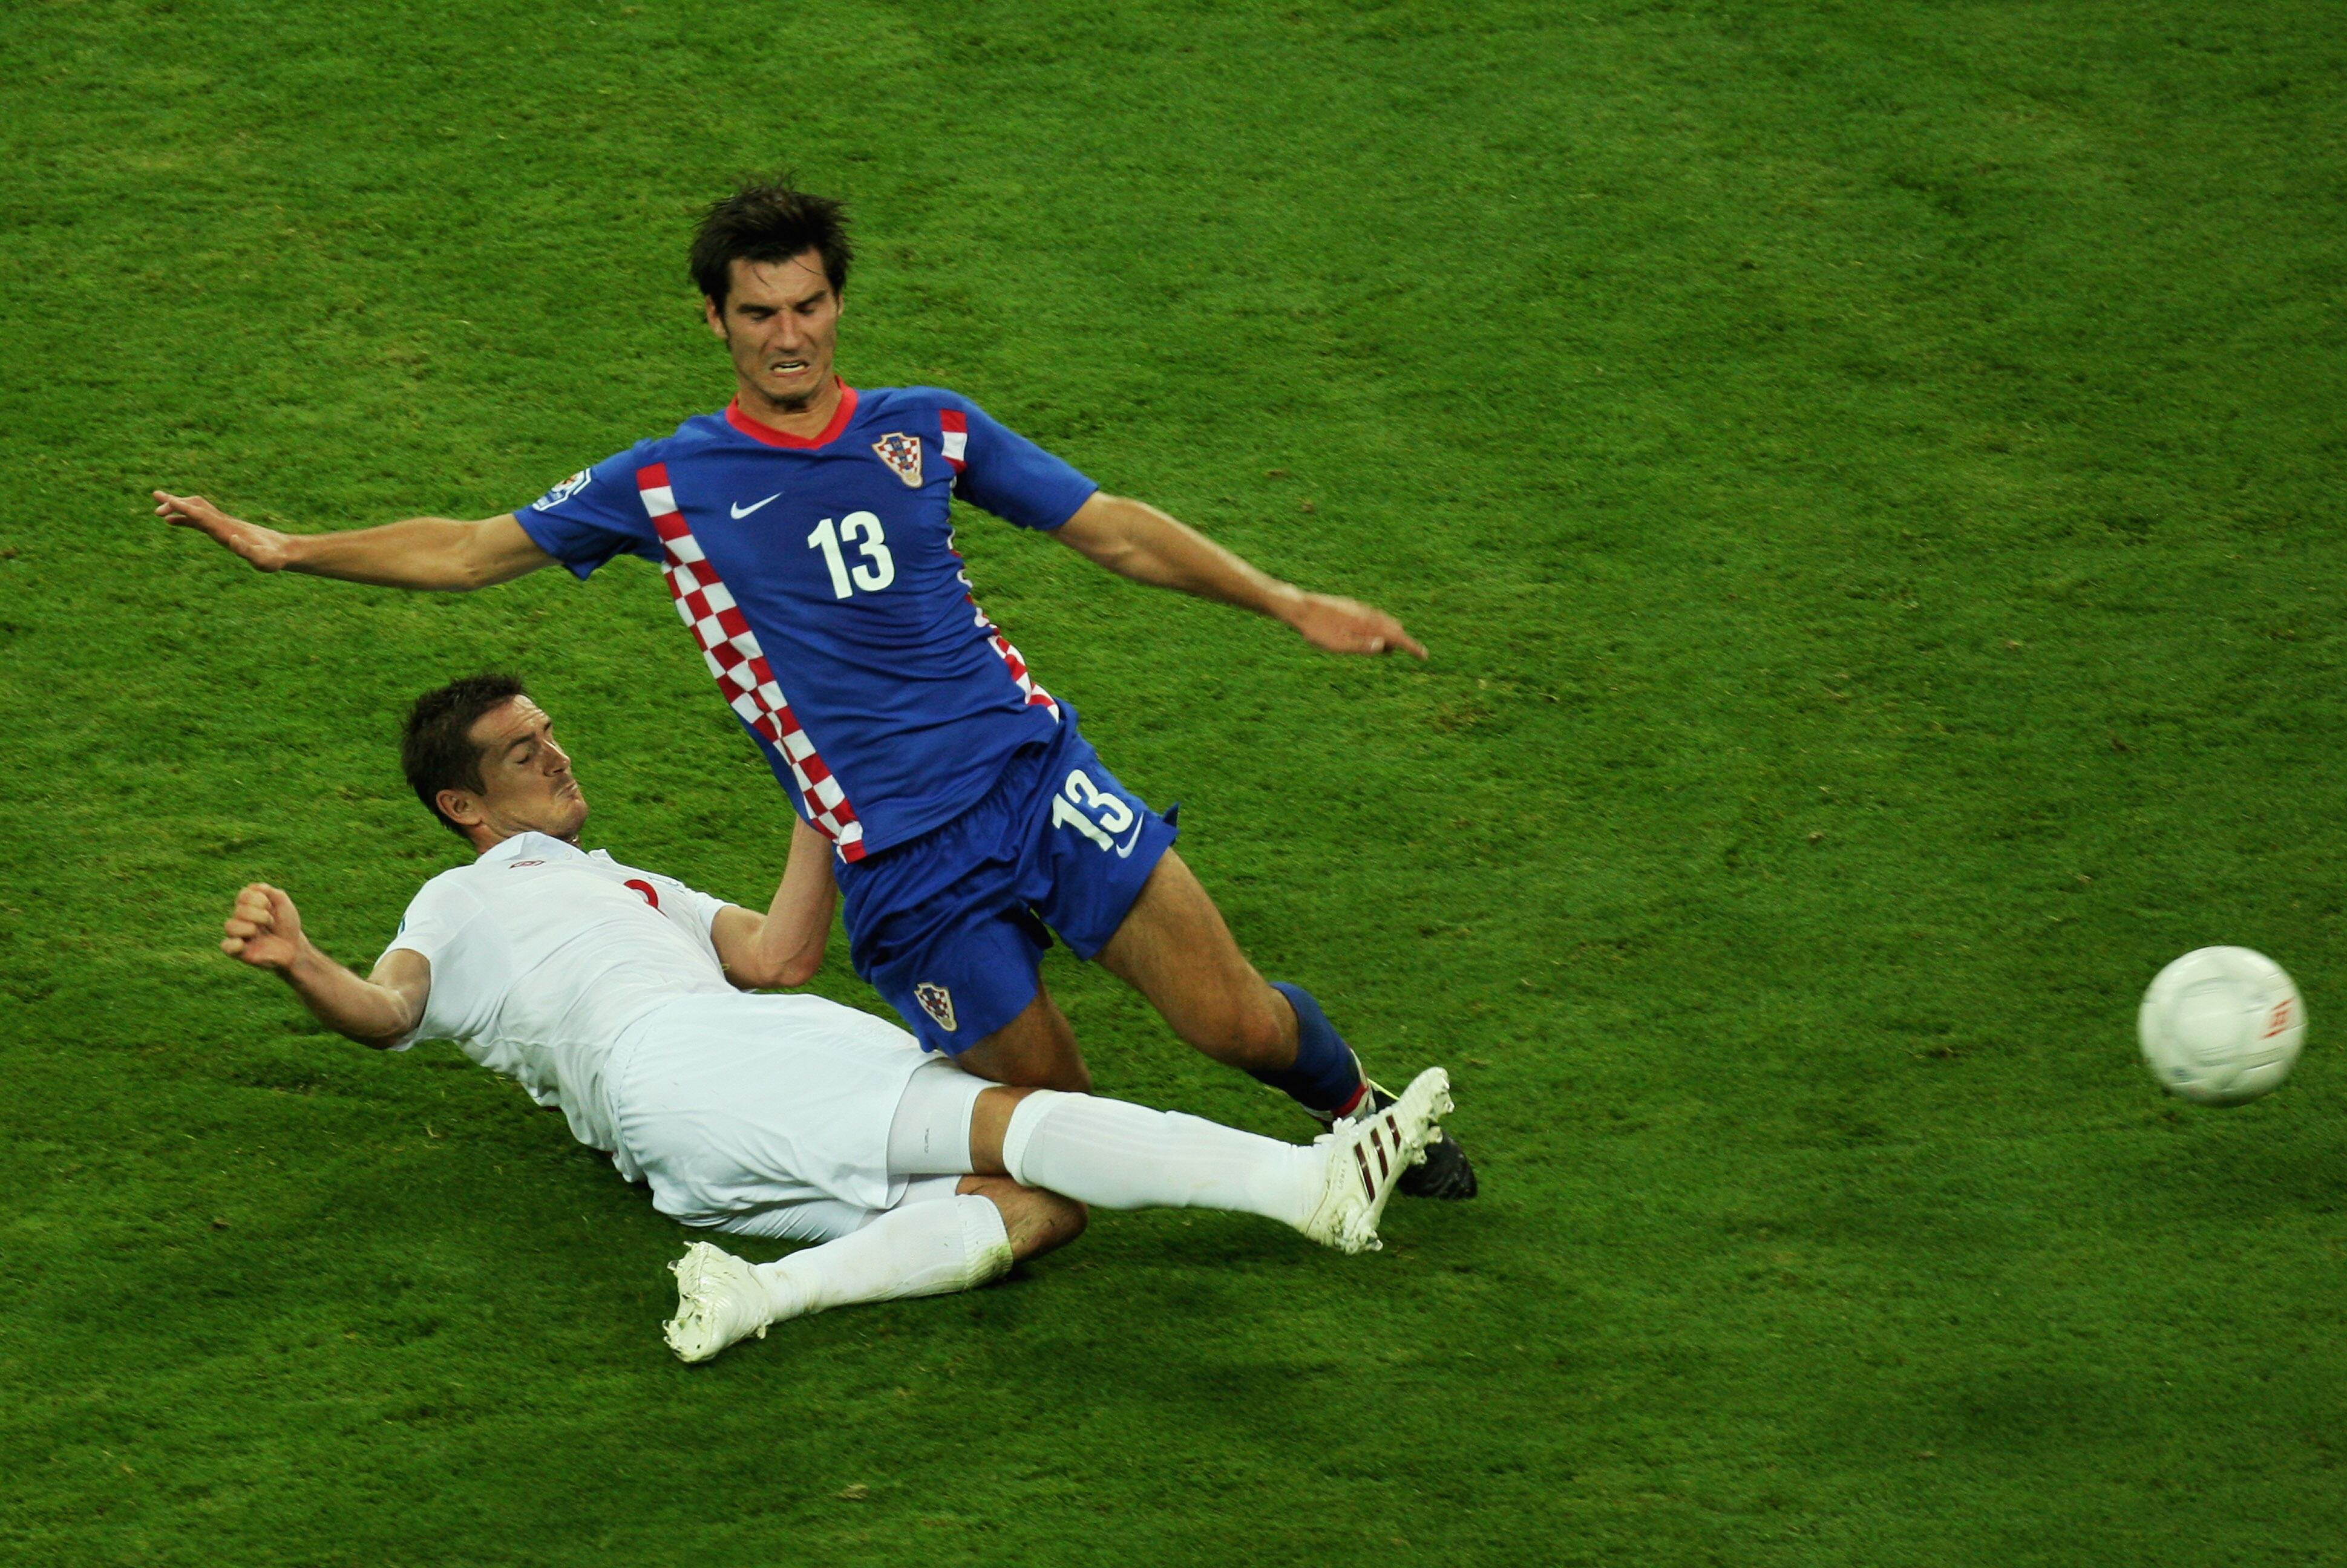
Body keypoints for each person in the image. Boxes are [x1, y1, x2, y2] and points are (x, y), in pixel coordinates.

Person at [159, 179, 1474, 1197]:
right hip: (897, 867)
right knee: (1055, 1113)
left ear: (838, 302)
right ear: (714, 320)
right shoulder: (663, 483)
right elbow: (466, 549)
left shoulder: (927, 428)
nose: (787, 336)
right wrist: (287, 547)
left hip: (1032, 779)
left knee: (1231, 1018)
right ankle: (1245, 1199)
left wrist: (1283, 599)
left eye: (807, 306)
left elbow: (1111, 527)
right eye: (757, 312)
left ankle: (1360, 1117)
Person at [215, 675, 1454, 1362]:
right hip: (697, 1061)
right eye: (522, 753)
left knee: (1038, 1211)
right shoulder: (468, 892)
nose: (557, 755)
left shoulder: (627, 882)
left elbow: (780, 949)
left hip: (687, 1149)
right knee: (1024, 1122)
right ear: (462, 806)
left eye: (551, 733)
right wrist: (301, 962)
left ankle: (760, 1297)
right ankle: (1307, 1185)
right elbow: (391, 1010)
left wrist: (822, 787)